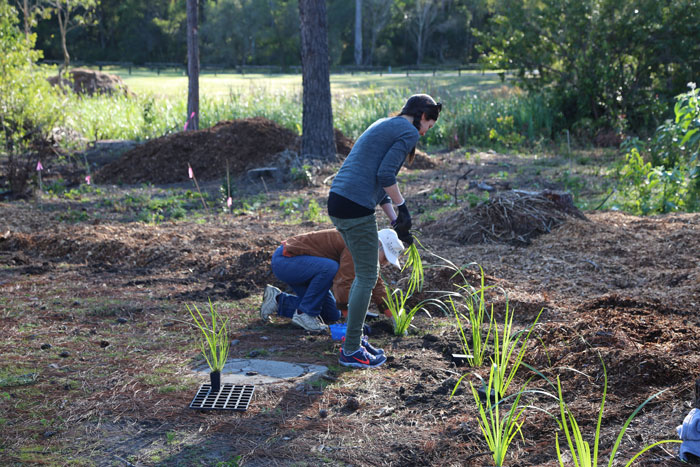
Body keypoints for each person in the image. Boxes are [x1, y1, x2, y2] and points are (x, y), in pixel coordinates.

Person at [327, 94, 442, 368]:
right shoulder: (407, 131)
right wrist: (403, 208)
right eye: (429, 125)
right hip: (355, 205)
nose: (426, 132)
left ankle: (353, 340)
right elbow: (386, 176)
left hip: (340, 199)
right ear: (422, 116)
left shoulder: (385, 123)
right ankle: (351, 350)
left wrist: (395, 220)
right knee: (368, 275)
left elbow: (376, 181)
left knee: (363, 274)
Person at [259, 228, 405, 334]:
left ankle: (278, 301)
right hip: (286, 260)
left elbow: (377, 284)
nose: (385, 263)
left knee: (332, 314)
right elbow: (344, 281)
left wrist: (392, 315)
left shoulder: (367, 252)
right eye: (386, 258)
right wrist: (352, 322)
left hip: (302, 267)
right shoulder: (356, 244)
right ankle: (305, 314)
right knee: (330, 268)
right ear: (379, 245)